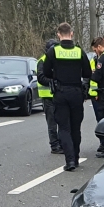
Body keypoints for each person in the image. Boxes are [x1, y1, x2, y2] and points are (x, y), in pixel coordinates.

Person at [39, 23, 92, 171]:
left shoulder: (53, 52)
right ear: (72, 33)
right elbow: (87, 73)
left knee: (63, 128)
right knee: (76, 128)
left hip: (60, 93)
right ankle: (76, 157)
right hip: (76, 92)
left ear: (58, 35)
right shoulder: (79, 51)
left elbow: (46, 73)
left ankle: (70, 162)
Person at [35, 40, 60, 154]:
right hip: (48, 96)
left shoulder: (58, 60)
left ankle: (60, 143)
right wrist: (54, 82)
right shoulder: (42, 61)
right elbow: (41, 78)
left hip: (58, 95)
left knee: (61, 121)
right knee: (52, 123)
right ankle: (54, 145)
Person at [90, 37, 104, 157]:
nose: (95, 53)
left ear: (99, 47)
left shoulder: (103, 58)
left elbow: (96, 77)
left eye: (95, 50)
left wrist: (92, 73)